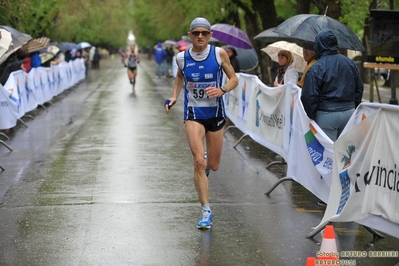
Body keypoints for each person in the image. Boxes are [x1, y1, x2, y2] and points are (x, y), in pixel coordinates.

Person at [164, 17, 238, 229]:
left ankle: (204, 167)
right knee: (198, 160)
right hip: (193, 114)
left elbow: (234, 79)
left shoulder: (218, 53)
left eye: (204, 33)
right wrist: (174, 97)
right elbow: (179, 77)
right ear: (190, 35)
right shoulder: (182, 57)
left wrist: (222, 89)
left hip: (215, 114)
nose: (200, 36)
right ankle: (206, 210)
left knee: (213, 165)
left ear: (210, 35)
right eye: (196, 33)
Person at [301, 28, 364, 142]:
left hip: (326, 114)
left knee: (328, 155)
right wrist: (353, 106)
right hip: (348, 113)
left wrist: (313, 115)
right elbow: (359, 87)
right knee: (345, 153)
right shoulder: (350, 63)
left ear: (318, 45)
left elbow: (308, 96)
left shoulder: (316, 67)